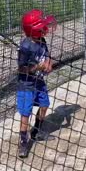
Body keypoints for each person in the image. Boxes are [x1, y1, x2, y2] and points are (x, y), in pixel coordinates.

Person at [17, 9, 56, 158]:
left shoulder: (41, 40)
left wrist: (48, 64)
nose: (44, 29)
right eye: (41, 27)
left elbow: (47, 57)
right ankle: (23, 141)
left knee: (45, 105)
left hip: (39, 82)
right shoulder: (25, 47)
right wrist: (35, 67)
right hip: (26, 85)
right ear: (32, 30)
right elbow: (21, 69)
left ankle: (36, 132)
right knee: (25, 113)